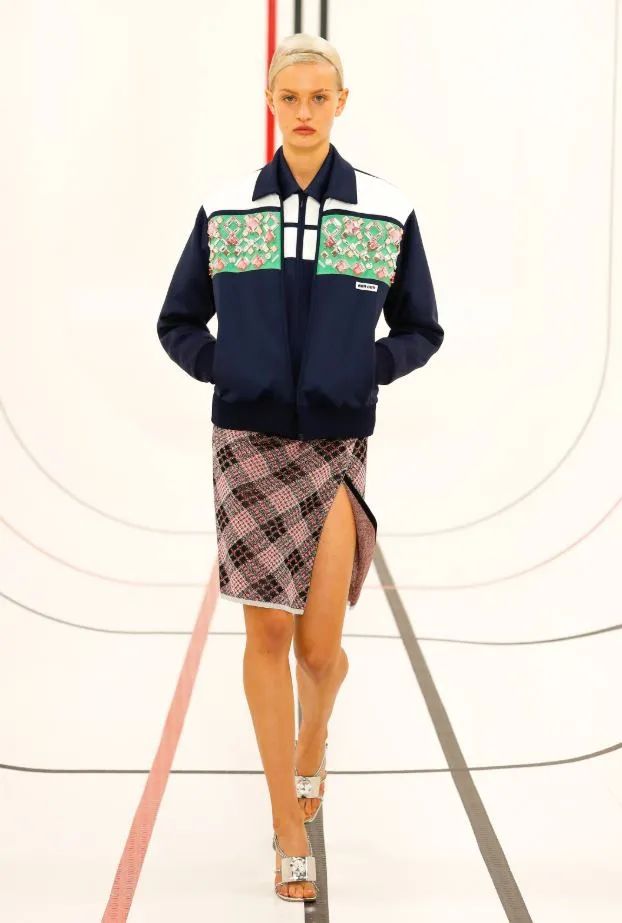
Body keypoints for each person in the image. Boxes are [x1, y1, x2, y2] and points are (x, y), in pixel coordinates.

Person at [156, 32, 444, 903]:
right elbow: (177, 321)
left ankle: (314, 734)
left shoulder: (384, 211)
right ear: (271, 103)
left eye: (321, 97)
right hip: (246, 446)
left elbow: (421, 328)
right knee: (268, 639)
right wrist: (231, 371)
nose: (305, 111)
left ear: (341, 103)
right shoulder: (226, 208)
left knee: (321, 651)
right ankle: (287, 822)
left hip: (336, 445)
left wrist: (367, 369)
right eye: (291, 97)